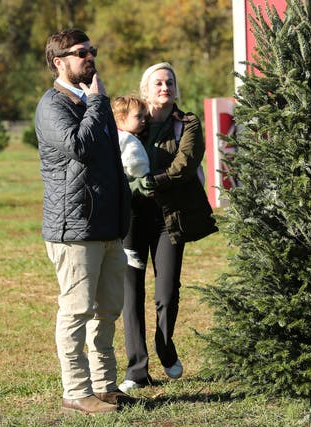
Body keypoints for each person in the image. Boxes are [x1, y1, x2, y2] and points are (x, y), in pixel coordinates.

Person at [35, 28, 133, 414]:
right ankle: (76, 391)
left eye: (92, 51)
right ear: (59, 62)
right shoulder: (53, 106)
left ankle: (105, 385)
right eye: (81, 52)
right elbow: (80, 148)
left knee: (107, 309)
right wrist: (96, 103)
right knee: (76, 310)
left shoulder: (96, 101)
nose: (90, 57)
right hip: (73, 227)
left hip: (107, 225)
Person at [118, 62, 218, 393]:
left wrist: (150, 181)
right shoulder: (133, 119)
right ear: (146, 89)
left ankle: (165, 346)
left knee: (167, 291)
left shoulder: (187, 123)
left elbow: (185, 165)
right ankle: (137, 369)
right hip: (131, 218)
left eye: (170, 82)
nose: (165, 87)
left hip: (169, 219)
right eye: (158, 83)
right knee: (131, 292)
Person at [111, 95, 152, 269]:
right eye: (138, 117)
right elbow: (136, 164)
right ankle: (127, 251)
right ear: (121, 118)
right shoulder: (128, 139)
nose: (143, 121)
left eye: (145, 117)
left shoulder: (112, 136)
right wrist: (145, 175)